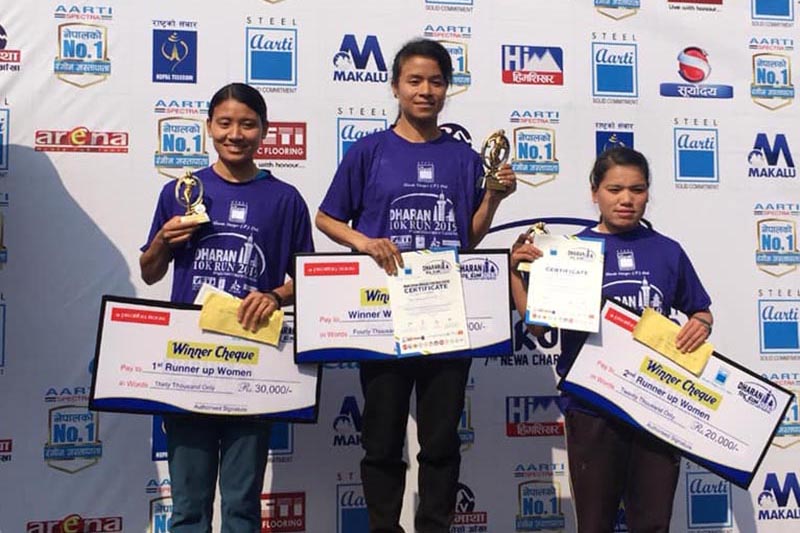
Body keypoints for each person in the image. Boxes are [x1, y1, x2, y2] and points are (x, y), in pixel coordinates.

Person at [316, 38, 516, 533]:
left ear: (448, 88)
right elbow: (326, 218)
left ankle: (434, 526)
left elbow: (466, 237)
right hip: (382, 311)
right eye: (415, 80)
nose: (425, 90)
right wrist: (365, 242)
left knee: (442, 439)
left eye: (436, 81)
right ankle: (384, 527)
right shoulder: (369, 151)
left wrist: (492, 200)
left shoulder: (465, 157)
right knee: (381, 438)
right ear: (395, 86)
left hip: (446, 309)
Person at [510, 146, 713, 533]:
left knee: (653, 524)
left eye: (636, 190)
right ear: (594, 192)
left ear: (648, 193)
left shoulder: (668, 251)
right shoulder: (570, 253)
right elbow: (537, 328)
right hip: (592, 407)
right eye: (615, 189)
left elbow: (701, 311)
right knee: (595, 524)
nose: (626, 199)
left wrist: (700, 324)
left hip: (656, 405)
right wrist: (516, 274)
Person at [139, 82, 314, 533]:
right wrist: (161, 240)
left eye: (247, 124)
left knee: (241, 507)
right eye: (225, 123)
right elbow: (150, 272)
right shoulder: (182, 192)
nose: (235, 133)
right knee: (188, 508)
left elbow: (307, 280)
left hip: (251, 364)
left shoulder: (285, 198)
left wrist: (275, 295)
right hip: (188, 360)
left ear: (264, 131)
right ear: (210, 128)